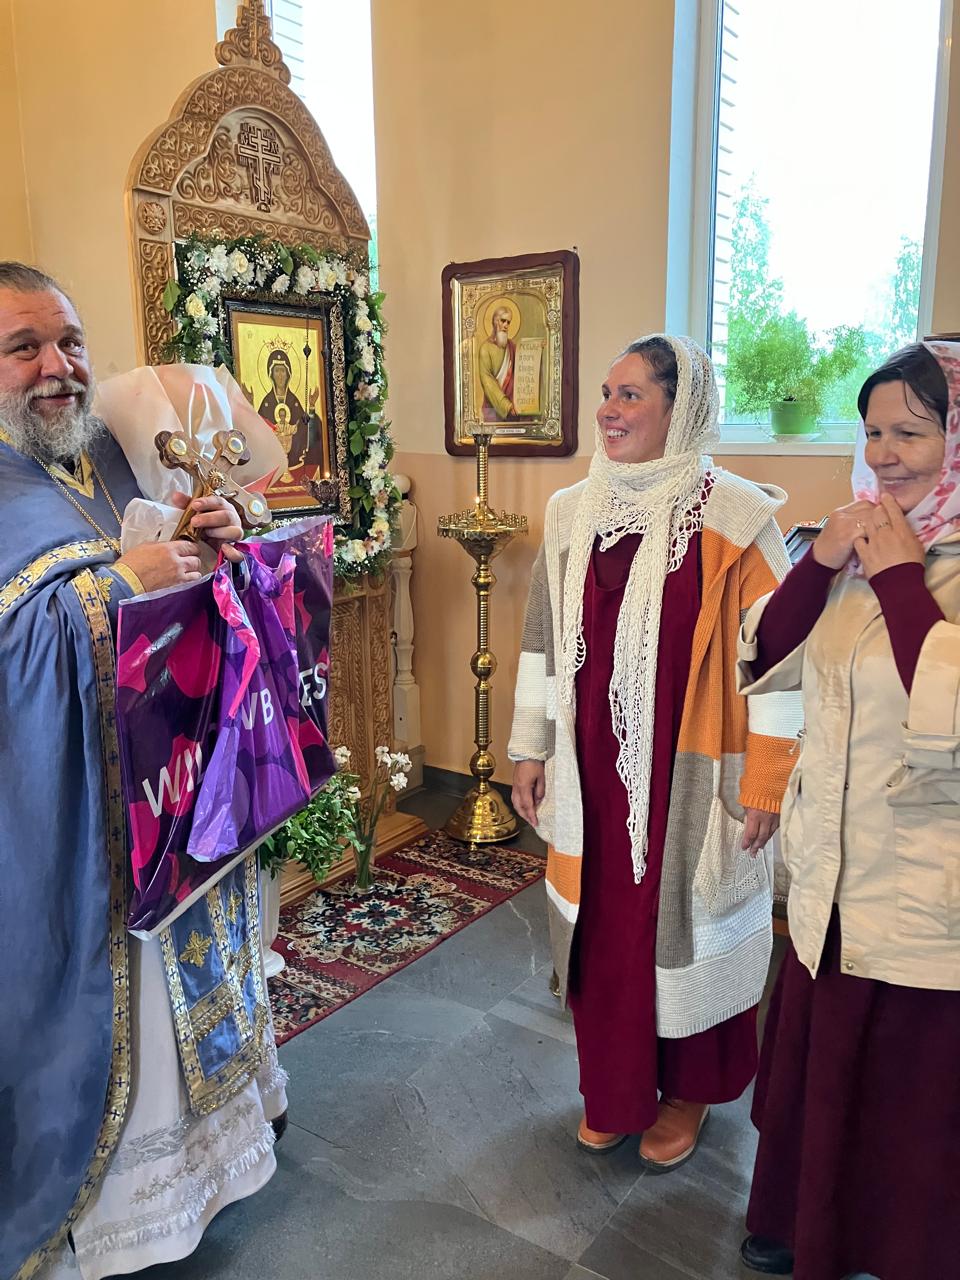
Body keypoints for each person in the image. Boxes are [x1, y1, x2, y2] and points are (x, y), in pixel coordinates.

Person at [0, 262, 288, 1280]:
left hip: (166, 794)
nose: (58, 366)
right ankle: (120, 1216)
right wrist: (120, 584)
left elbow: (172, 583)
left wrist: (215, 534)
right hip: (66, 820)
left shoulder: (104, 456)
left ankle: (206, 1178)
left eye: (71, 341)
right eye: (24, 347)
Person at [509, 334, 799, 1168]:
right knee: (605, 932)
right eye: (607, 392)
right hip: (593, 772)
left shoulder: (736, 518)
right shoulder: (573, 510)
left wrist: (769, 779)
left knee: (683, 921)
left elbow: (781, 656)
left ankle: (688, 1094)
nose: (608, 409)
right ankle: (616, 1089)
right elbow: (542, 637)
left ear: (682, 408)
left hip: (691, 768)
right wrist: (531, 748)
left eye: (631, 394)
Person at [737, 340, 960, 1279]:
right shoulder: (862, 545)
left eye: (913, 432)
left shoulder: (924, 560)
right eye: (872, 433)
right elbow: (769, 654)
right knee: (822, 1064)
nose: (886, 455)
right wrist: (821, 563)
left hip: (920, 878)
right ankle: (801, 1224)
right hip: (832, 863)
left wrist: (905, 577)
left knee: (903, 1093)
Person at [478, 304, 520, 421]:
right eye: (503, 321)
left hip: (513, 407)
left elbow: (523, 365)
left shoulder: (512, 346)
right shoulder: (485, 348)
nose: (506, 325)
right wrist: (506, 405)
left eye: (508, 322)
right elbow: (488, 382)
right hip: (492, 408)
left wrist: (537, 348)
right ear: (496, 321)